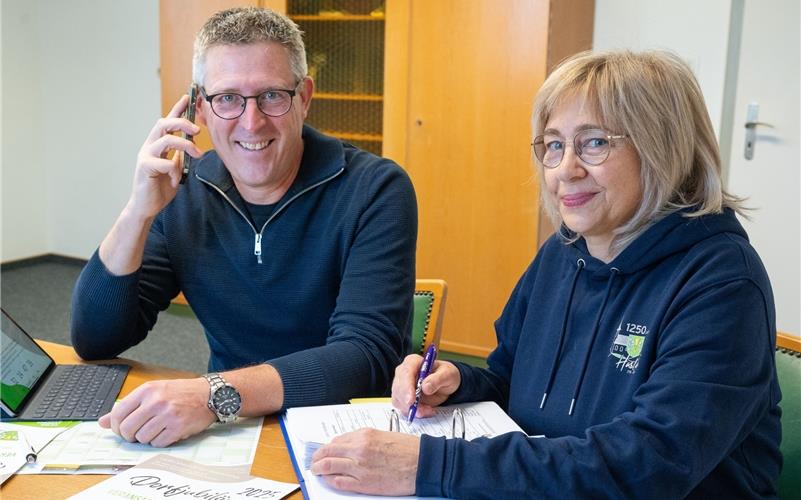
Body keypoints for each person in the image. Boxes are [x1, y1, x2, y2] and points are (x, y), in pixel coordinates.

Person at [310, 50, 782, 498]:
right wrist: (456, 382)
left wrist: (428, 465)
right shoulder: (562, 254)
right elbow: (509, 379)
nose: (564, 170)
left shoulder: (722, 283)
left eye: (594, 143)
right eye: (553, 145)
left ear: (663, 148)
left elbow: (647, 468)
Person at [70, 7, 417, 447]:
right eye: (228, 98)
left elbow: (365, 357)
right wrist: (138, 211)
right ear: (200, 107)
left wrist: (213, 395)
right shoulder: (184, 191)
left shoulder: (375, 188)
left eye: (272, 95)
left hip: (345, 433)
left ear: (304, 96)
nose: (251, 122)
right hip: (227, 431)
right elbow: (96, 340)